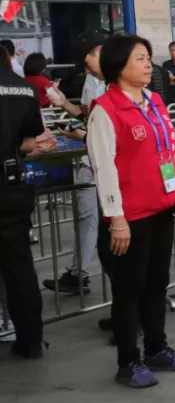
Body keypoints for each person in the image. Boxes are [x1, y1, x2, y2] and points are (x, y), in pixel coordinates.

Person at [86, 32, 175, 388]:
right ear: (119, 66)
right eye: (140, 59)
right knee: (129, 290)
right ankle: (128, 362)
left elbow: (169, 153)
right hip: (130, 218)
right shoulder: (105, 109)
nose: (149, 65)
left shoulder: (156, 101)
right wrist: (116, 219)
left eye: (148, 58)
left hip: (161, 209)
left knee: (157, 284)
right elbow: (104, 168)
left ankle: (157, 348)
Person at [43, 30, 109, 295]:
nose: (86, 68)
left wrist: (82, 136)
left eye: (86, 61)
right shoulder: (92, 80)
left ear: (99, 51)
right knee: (87, 217)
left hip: (107, 163)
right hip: (91, 159)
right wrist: (62, 103)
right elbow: (86, 114)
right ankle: (78, 273)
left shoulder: (123, 83)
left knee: (103, 220)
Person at [0, 42, 49, 359]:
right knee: (19, 265)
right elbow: (30, 142)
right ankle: (31, 340)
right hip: (11, 185)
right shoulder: (24, 89)